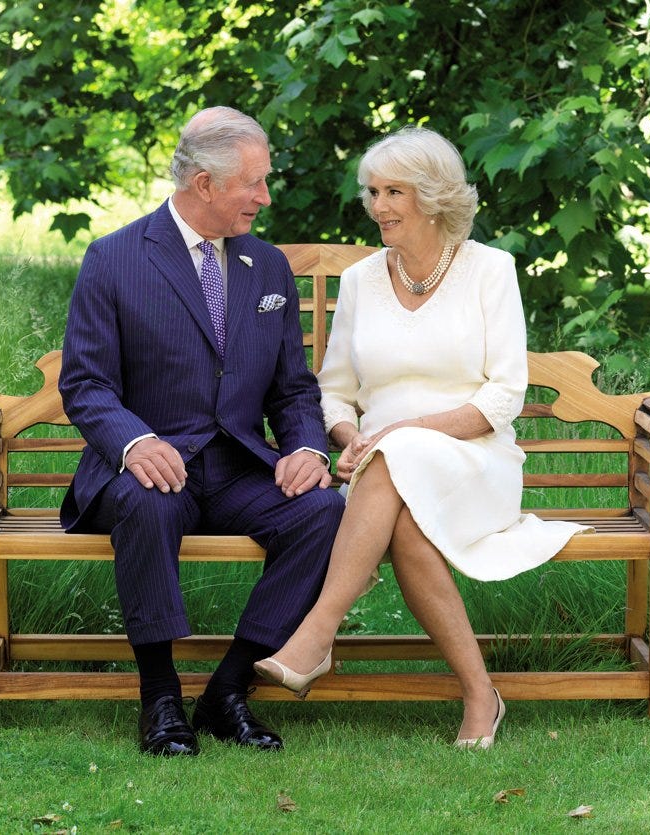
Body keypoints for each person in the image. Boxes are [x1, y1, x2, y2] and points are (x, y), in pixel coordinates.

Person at [254, 126, 589, 749]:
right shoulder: (359, 282)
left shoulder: (490, 270)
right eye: (373, 191)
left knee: (398, 450)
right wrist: (351, 435)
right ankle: (479, 694)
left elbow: (503, 396)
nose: (378, 206)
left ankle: (318, 629)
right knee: (405, 516)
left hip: (475, 461)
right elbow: (334, 390)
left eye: (394, 192)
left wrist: (398, 432)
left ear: (433, 197)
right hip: (387, 473)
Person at [59, 106, 345, 756]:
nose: (266, 197)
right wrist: (133, 441)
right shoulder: (114, 259)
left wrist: (305, 445)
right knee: (146, 500)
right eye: (254, 183)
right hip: (148, 468)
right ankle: (160, 698)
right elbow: (85, 383)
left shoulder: (267, 267)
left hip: (237, 468)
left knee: (323, 511)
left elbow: (294, 387)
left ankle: (228, 689)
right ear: (205, 184)